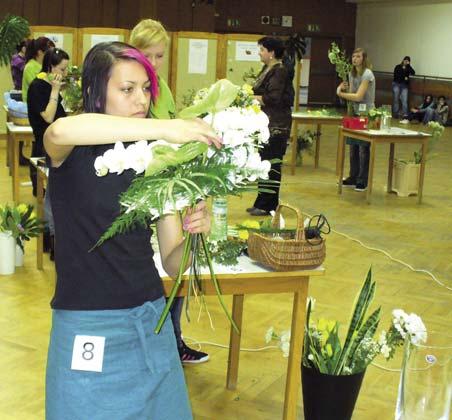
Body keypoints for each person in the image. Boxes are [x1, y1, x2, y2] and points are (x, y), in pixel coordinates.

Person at [43, 41, 219, 419]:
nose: (141, 99)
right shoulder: (72, 148)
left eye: (145, 89)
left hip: (148, 322)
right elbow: (57, 131)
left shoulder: (156, 160)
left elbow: (173, 264)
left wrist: (194, 235)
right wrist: (166, 128)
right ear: (94, 91)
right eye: (127, 89)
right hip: (86, 324)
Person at [129, 19, 208, 364]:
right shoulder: (131, 88)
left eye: (160, 56)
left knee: (174, 263)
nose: (154, 63)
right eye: (148, 55)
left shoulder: (162, 87)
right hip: (139, 187)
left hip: (165, 185)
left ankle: (174, 339)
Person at [27, 48, 69, 261]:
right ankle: (52, 243)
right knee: (51, 197)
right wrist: (54, 91)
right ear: (51, 67)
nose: (65, 72)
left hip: (57, 147)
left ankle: (54, 241)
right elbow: (48, 117)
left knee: (56, 194)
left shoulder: (51, 85)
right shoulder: (38, 86)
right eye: (62, 68)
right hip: (46, 147)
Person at [247, 36, 294, 216]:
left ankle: (269, 205)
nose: (259, 53)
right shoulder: (268, 69)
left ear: (272, 53)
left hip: (276, 126)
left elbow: (273, 97)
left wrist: (251, 98)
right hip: (265, 124)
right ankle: (261, 201)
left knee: (272, 164)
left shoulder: (279, 71)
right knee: (263, 162)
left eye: (262, 49)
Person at [337, 47, 375, 192]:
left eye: (358, 56)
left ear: (363, 59)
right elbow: (352, 94)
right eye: (353, 56)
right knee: (353, 146)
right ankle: (353, 176)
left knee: (363, 148)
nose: (355, 59)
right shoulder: (351, 73)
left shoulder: (367, 74)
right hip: (354, 112)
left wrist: (340, 94)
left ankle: (362, 180)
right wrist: (341, 88)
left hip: (366, 113)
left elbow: (359, 96)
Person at [22, 37, 55, 103]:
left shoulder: (46, 65)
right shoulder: (30, 67)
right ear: (40, 52)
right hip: (33, 105)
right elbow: (37, 88)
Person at [393, 56, 415, 122]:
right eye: (405, 60)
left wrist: (409, 66)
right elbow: (396, 76)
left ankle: (405, 115)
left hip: (404, 85)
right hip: (396, 84)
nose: (406, 62)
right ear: (403, 60)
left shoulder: (408, 68)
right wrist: (404, 77)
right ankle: (395, 113)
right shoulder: (398, 66)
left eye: (408, 61)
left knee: (404, 100)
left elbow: (413, 73)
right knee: (396, 99)